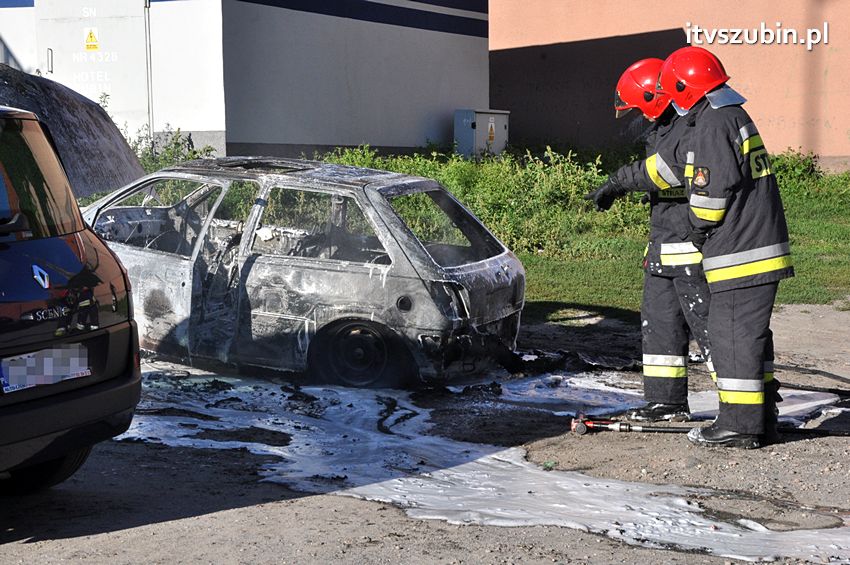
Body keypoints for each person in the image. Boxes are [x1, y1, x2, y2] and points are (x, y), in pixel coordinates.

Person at [588, 46, 793, 448]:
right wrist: (617, 182)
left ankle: (743, 422)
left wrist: (699, 231)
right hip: (742, 247)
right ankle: (748, 418)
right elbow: (662, 168)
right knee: (732, 333)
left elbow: (709, 192)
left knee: (730, 336)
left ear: (681, 88)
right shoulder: (721, 117)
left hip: (736, 251)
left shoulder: (712, 123)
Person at [586, 58, 712, 424]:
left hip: (689, 246)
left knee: (710, 327)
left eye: (639, 107)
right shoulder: (665, 127)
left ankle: (743, 407)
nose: (637, 116)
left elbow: (667, 171)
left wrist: (618, 181)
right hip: (664, 245)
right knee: (659, 327)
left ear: (651, 98)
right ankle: (665, 402)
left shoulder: (687, 126)